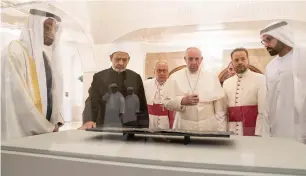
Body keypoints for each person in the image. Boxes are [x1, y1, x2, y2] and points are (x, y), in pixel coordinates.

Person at [1, 9, 64, 141]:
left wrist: (56, 120)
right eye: (47, 28)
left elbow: (52, 92)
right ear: (34, 26)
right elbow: (19, 99)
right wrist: (46, 127)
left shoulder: (44, 57)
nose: (52, 34)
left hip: (46, 132)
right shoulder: (14, 51)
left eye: (54, 29)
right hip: (23, 133)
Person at [260, 21, 306, 143]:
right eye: (263, 41)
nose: (265, 44)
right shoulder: (270, 66)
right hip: (277, 127)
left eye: (269, 39)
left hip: (299, 126)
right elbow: (268, 99)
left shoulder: (302, 57)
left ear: (282, 36)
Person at [163, 47, 226, 132]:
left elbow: (220, 110)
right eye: (190, 59)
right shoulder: (174, 77)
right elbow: (166, 102)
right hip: (184, 125)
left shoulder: (212, 77)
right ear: (185, 59)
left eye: (197, 59)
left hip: (208, 126)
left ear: (201, 59)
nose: (194, 62)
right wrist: (182, 101)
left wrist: (221, 131)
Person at [82, 51, 149, 129]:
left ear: (129, 59)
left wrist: (144, 125)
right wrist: (89, 119)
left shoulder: (135, 77)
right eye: (117, 59)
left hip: (131, 124)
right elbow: (92, 100)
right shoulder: (99, 77)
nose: (121, 63)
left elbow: (142, 103)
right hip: (106, 123)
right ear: (111, 58)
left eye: (124, 60)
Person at [223, 48, 268, 136]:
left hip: (253, 130)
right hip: (232, 130)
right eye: (236, 60)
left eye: (243, 59)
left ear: (248, 60)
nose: (240, 62)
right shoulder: (226, 83)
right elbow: (224, 112)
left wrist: (259, 133)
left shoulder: (260, 78)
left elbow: (263, 110)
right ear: (232, 62)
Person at [144, 61, 174, 130]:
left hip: (167, 117)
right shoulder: (145, 84)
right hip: (150, 117)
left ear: (168, 72)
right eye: (159, 70)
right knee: (150, 136)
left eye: (164, 70)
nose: (162, 73)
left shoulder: (174, 84)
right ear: (154, 72)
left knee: (165, 137)